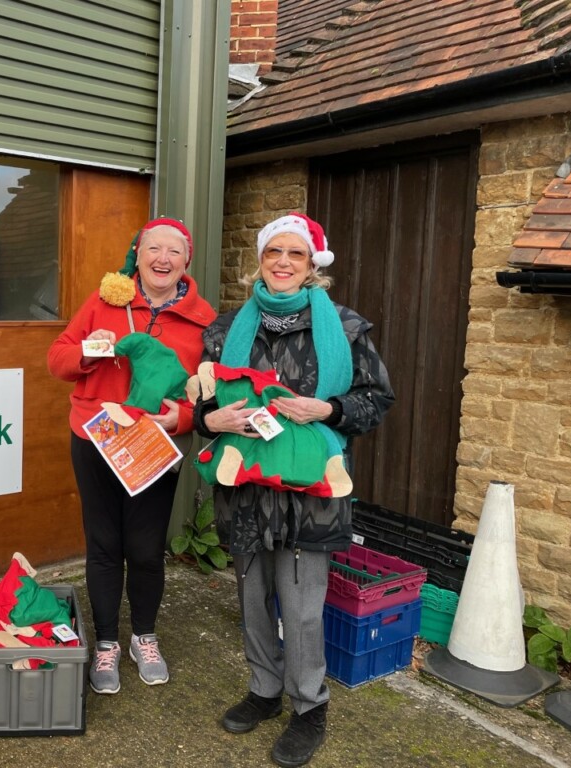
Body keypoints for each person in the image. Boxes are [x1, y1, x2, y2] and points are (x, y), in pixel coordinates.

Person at [193, 212, 394, 767]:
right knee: (252, 596)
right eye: (273, 252)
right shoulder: (225, 330)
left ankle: (309, 706)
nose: (282, 262)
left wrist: (327, 409)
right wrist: (211, 421)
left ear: (311, 266)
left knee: (303, 607)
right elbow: (202, 401)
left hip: (311, 491)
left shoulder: (345, 328)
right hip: (245, 488)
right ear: (259, 261)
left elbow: (376, 400)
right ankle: (264, 689)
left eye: (295, 253)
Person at [47, 217, 216, 694]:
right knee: (103, 544)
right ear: (137, 255)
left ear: (186, 261)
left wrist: (183, 418)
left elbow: (211, 394)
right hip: (96, 436)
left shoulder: (204, 320)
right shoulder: (105, 302)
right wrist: (89, 352)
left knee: (144, 547)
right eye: (153, 249)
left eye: (174, 251)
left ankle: (144, 636)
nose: (163, 258)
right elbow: (57, 360)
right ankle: (106, 643)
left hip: (153, 444)